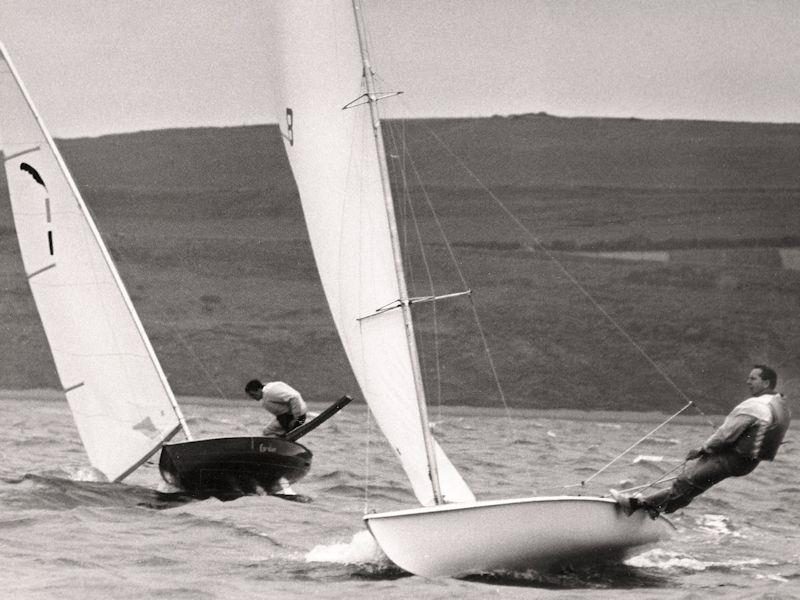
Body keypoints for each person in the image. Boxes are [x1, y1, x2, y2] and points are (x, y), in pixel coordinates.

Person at [612, 364, 791, 518]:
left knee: (687, 480)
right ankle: (654, 508)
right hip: (748, 464)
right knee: (694, 485)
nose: (748, 382)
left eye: (753, 378)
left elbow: (725, 435)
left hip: (730, 459)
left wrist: (702, 449)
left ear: (766, 383)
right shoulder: (780, 406)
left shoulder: (755, 405)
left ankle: (637, 506)